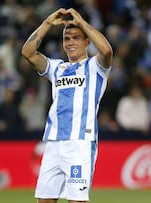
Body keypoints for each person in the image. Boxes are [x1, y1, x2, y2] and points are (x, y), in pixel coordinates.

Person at [21, 8, 113, 203]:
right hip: (53, 142)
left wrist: (81, 23)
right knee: (44, 200)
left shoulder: (95, 67)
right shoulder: (57, 68)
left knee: (76, 201)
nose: (70, 43)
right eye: (66, 39)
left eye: (76, 38)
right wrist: (47, 23)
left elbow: (106, 50)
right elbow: (28, 52)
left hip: (80, 143)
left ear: (86, 41)